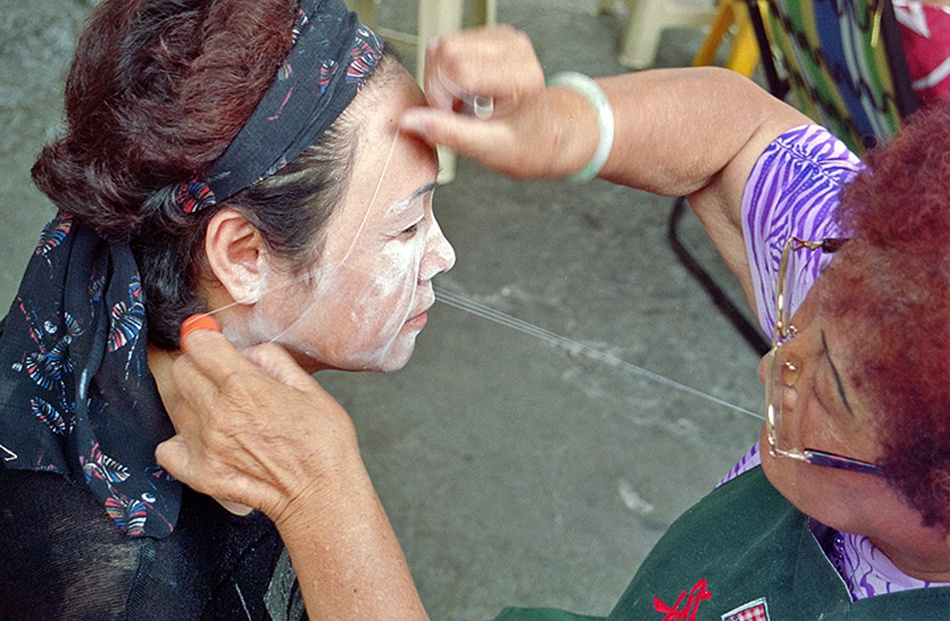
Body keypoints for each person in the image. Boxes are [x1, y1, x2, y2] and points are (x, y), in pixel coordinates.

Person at [155, 24, 950, 620]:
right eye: (809, 304)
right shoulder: (896, 278)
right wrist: (574, 123)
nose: (778, 357)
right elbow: (740, 131)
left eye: (832, 390)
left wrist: (325, 499)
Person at [0, 0, 454, 618]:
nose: (443, 255)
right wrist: (323, 496)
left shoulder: (89, 303)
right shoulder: (126, 593)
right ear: (243, 255)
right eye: (406, 227)